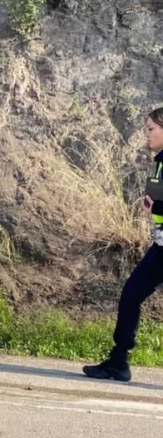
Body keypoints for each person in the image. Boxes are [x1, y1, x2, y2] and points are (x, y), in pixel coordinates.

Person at [84, 107, 163, 382]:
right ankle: (119, 362)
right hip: (161, 248)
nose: (146, 133)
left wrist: (157, 204)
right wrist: (152, 205)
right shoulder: (161, 161)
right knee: (131, 295)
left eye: (151, 128)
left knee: (131, 295)